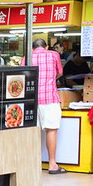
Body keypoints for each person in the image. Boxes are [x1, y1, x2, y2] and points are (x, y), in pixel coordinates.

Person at [30, 39, 64, 174]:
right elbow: (60, 72)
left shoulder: (27, 57)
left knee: (33, 132)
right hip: (50, 98)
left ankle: (33, 164)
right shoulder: (54, 55)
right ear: (47, 47)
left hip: (32, 100)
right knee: (51, 130)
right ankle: (52, 164)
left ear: (32, 48)